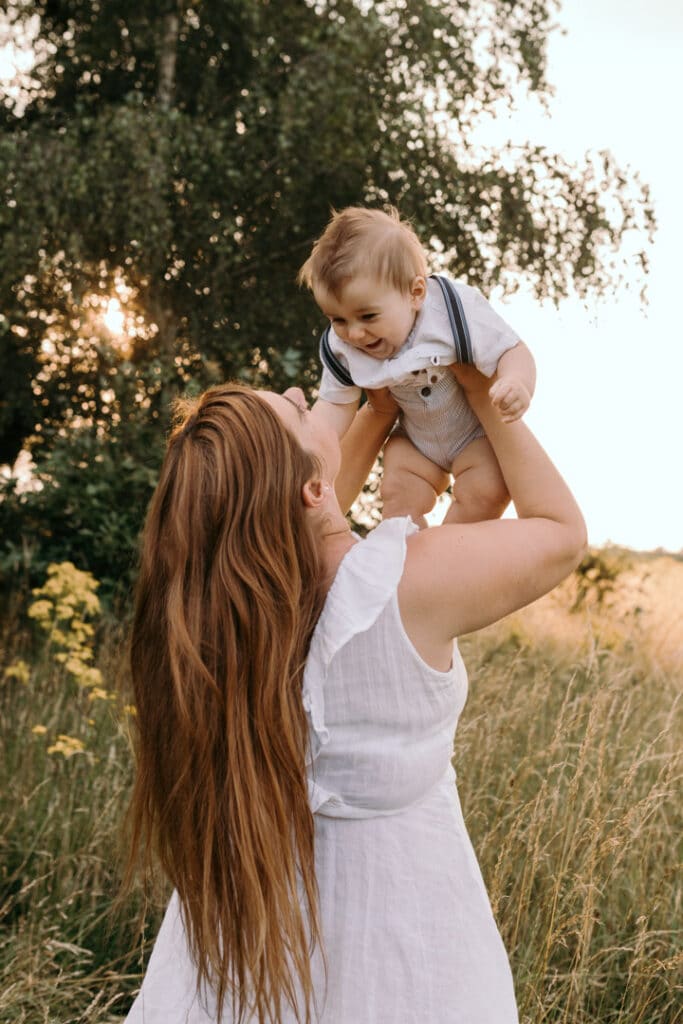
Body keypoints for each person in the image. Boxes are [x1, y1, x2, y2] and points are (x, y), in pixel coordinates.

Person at [123, 367, 586, 1024]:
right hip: (403, 913)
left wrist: (371, 410)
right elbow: (561, 532)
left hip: (255, 914)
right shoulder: (407, 583)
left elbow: (299, 512)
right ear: (313, 490)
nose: (297, 394)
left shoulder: (231, 617)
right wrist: (481, 387)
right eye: (292, 409)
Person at [298, 206, 537, 528]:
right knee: (397, 493)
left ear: (416, 293)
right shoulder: (341, 348)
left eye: (368, 316)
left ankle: (450, 554)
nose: (354, 333)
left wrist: (517, 382)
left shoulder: (453, 311)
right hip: (414, 439)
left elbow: (512, 349)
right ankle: (406, 553)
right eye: (337, 319)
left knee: (488, 491)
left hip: (474, 434)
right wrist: (309, 446)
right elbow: (334, 407)